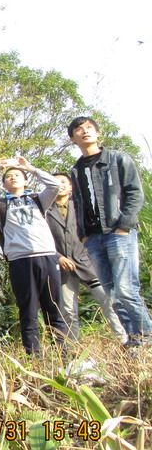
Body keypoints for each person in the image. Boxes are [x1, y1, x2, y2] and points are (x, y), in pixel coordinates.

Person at [68, 116, 152, 347]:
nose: (84, 132)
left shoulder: (117, 159)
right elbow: (77, 203)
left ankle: (146, 335)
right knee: (112, 295)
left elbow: (134, 193)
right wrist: (83, 234)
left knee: (126, 290)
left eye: (88, 128)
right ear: (73, 139)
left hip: (118, 233)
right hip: (93, 238)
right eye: (78, 130)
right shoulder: (76, 170)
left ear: (97, 133)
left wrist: (124, 225)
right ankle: (134, 341)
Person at [0, 157, 70, 354]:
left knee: (53, 308)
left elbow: (54, 185)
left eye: (17, 175)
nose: (13, 178)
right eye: (8, 177)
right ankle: (33, 357)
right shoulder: (1, 205)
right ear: (3, 184)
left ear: (26, 181)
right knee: (27, 311)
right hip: (19, 261)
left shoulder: (38, 199)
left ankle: (63, 357)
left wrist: (30, 168)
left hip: (46, 256)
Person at [45, 172, 127, 343]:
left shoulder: (80, 207)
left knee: (108, 302)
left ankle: (124, 340)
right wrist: (58, 257)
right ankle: (74, 350)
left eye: (63, 182)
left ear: (70, 187)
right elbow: (40, 240)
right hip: (62, 268)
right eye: (55, 182)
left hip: (88, 263)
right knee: (68, 310)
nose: (59, 185)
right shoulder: (44, 211)